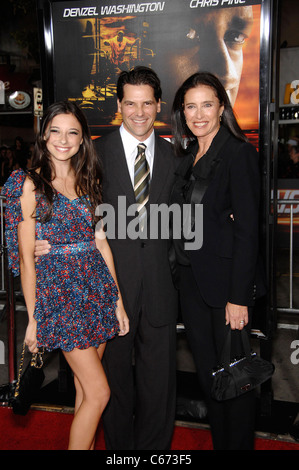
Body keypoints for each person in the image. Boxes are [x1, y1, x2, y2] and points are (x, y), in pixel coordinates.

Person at [34, 67, 179, 450]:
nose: (139, 111)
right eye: (130, 102)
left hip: (161, 287)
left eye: (147, 102)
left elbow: (191, 214)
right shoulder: (93, 152)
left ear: (158, 105)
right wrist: (40, 242)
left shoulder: (176, 154)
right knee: (110, 385)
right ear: (119, 106)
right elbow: (66, 208)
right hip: (108, 288)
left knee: (159, 384)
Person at [2, 101, 129, 450]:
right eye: (55, 130)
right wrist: (33, 319)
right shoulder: (28, 185)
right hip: (61, 297)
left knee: (86, 391)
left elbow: (101, 243)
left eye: (73, 132)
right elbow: (27, 260)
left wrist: (116, 300)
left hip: (96, 289)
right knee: (101, 392)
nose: (64, 139)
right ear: (43, 136)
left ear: (82, 139)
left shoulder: (89, 178)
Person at [170, 72, 265, 450]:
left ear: (222, 108)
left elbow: (247, 232)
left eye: (206, 104)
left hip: (227, 289)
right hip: (192, 285)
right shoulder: (188, 157)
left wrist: (239, 297)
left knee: (237, 381)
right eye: (190, 106)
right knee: (212, 379)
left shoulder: (238, 153)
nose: (198, 114)